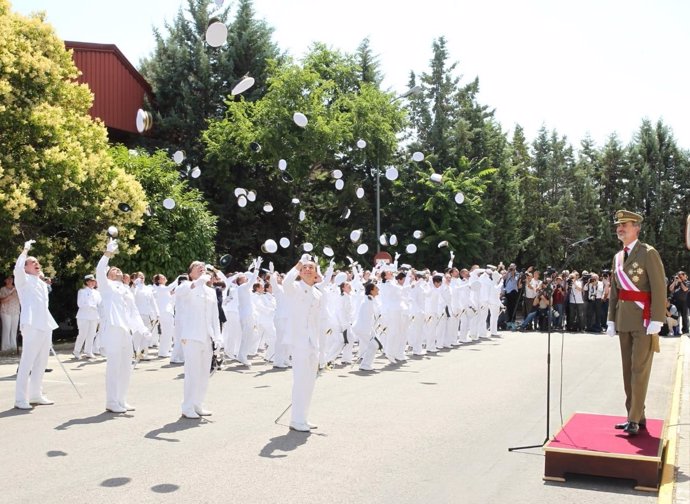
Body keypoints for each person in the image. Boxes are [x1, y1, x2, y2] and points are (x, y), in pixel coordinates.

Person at [606, 210, 666, 436]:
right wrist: (611, 319)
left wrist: (658, 319)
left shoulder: (648, 253)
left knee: (638, 370)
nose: (620, 228)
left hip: (644, 320)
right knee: (626, 370)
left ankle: (633, 418)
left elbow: (659, 287)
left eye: (625, 225)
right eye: (618, 225)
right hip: (623, 319)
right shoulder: (618, 257)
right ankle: (636, 416)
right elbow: (615, 293)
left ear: (637, 228)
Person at [97, 239, 148, 414]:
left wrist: (142, 329)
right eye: (113, 269)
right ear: (108, 275)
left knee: (126, 365)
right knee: (114, 365)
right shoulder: (106, 286)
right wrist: (107, 254)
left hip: (126, 329)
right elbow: (99, 271)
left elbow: (133, 312)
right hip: (113, 328)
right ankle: (111, 401)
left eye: (119, 269)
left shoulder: (126, 289)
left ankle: (121, 399)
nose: (117, 270)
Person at [13, 240, 59, 409]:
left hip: (45, 324)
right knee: (27, 362)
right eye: (32, 262)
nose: (36, 264)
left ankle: (35, 394)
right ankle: (20, 399)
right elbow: (17, 269)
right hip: (31, 324)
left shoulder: (40, 282)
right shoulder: (22, 280)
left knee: (42, 361)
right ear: (25, 267)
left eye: (37, 262)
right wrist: (25, 250)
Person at [175, 261, 222, 419]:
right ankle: (187, 406)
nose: (201, 268)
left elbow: (215, 316)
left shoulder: (211, 291)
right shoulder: (186, 286)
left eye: (203, 266)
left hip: (207, 336)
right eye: (197, 267)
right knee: (192, 372)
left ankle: (198, 404)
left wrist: (218, 336)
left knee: (203, 373)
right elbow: (180, 292)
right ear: (190, 273)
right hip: (191, 335)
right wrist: (198, 281)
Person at [282, 254, 323, 432]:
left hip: (312, 342)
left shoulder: (317, 293)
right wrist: (298, 264)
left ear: (315, 274)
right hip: (298, 341)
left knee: (309, 381)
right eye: (305, 267)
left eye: (311, 267)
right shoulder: (295, 288)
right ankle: (296, 419)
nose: (307, 269)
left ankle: (303, 417)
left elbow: (317, 321)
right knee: (300, 380)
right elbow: (286, 282)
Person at [73, 274, 101, 359]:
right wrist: (91, 306)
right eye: (91, 281)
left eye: (93, 281)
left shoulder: (97, 292)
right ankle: (76, 351)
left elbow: (100, 304)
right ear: (87, 282)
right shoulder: (82, 291)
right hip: (84, 316)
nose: (93, 283)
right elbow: (80, 304)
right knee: (82, 334)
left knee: (92, 334)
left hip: (94, 316)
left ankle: (88, 351)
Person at [0, 275, 20, 351]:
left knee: (14, 329)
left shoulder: (17, 289)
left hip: (16, 311)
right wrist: (11, 294)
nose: (10, 280)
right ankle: (5, 348)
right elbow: (2, 301)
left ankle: (13, 347)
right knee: (7, 328)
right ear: (5, 280)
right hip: (5, 311)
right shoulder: (2, 289)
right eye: (8, 279)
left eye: (11, 279)